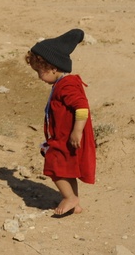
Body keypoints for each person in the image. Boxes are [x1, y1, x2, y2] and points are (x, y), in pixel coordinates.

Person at [25, 28, 96, 216]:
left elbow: (82, 108)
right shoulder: (61, 84)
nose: (38, 77)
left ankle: (70, 198)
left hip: (67, 137)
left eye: (39, 71)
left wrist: (77, 132)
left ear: (52, 68)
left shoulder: (68, 85)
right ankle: (75, 203)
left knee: (54, 166)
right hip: (63, 136)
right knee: (67, 170)